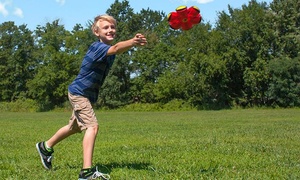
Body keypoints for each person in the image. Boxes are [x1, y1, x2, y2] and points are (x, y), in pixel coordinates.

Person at [36, 14, 147, 180]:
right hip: (79, 93)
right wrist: (132, 42)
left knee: (74, 128)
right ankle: (86, 172)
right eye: (106, 28)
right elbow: (116, 48)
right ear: (97, 32)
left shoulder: (109, 51)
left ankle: (46, 146)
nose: (110, 30)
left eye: (112, 27)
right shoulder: (97, 47)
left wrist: (131, 44)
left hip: (86, 95)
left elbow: (117, 48)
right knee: (92, 127)